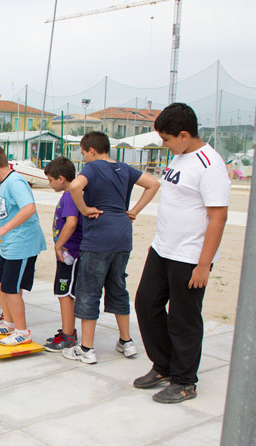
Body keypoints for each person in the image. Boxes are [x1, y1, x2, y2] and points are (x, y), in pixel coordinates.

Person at [134, 103, 230, 403]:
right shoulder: (178, 158)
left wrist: (204, 265)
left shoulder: (209, 164)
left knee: (183, 318)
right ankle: (163, 366)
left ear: (185, 135)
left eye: (166, 139)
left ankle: (185, 381)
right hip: (163, 249)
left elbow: (218, 217)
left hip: (190, 257)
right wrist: (158, 241)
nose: (164, 145)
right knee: (146, 305)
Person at [62, 131, 160, 364]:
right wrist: (134, 210)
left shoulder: (93, 167)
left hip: (99, 237)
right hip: (123, 234)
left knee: (89, 290)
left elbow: (75, 187)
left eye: (84, 153)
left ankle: (86, 348)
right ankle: (126, 342)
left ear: (92, 150)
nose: (84, 158)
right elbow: (153, 184)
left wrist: (85, 209)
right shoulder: (124, 168)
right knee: (118, 287)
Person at [0, 145, 47, 346]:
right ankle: (8, 323)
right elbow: (12, 209)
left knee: (11, 289)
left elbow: (29, 208)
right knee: (0, 283)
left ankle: (22, 331)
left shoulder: (16, 181)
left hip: (22, 245)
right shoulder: (5, 183)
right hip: (8, 245)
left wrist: (2, 230)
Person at [43, 157, 83, 352]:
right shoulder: (70, 195)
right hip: (67, 253)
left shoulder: (70, 196)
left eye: (50, 180)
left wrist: (59, 245)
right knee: (62, 292)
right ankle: (68, 331)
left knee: (65, 293)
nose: (49, 184)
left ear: (61, 178)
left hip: (70, 253)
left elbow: (71, 222)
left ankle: (68, 335)